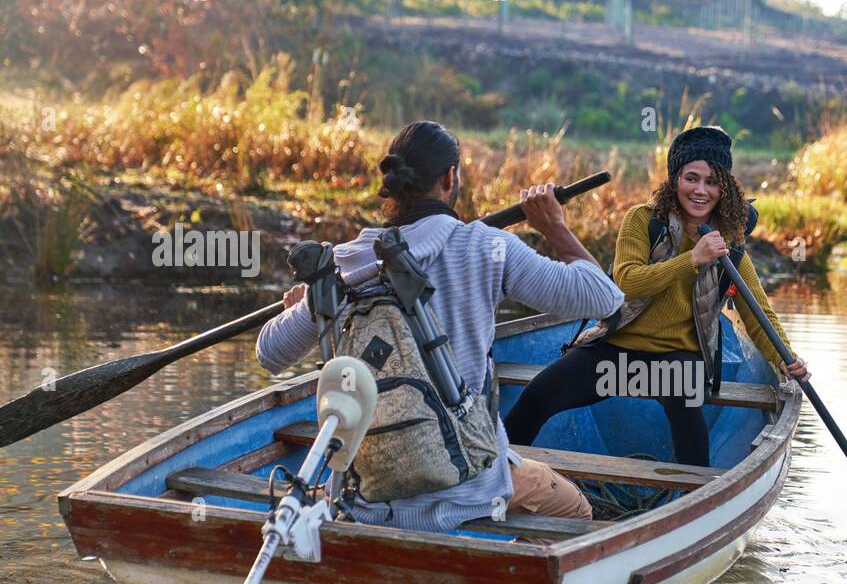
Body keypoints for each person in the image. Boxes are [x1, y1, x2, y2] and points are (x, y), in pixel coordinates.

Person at [256, 120, 624, 531]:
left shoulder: (343, 263)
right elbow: (604, 298)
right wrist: (553, 226)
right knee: (576, 512)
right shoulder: (485, 246)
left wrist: (301, 308)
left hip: (369, 497)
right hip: (471, 490)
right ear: (450, 178)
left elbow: (270, 353)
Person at [504, 125, 808, 467]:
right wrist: (692, 259)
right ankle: (493, 475)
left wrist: (785, 357)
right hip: (616, 351)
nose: (700, 190)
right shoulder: (643, 220)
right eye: (691, 178)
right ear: (675, 179)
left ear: (724, 187)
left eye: (711, 181)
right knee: (537, 396)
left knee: (685, 400)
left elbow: (757, 310)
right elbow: (626, 283)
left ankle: (697, 499)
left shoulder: (730, 243)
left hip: (679, 357)